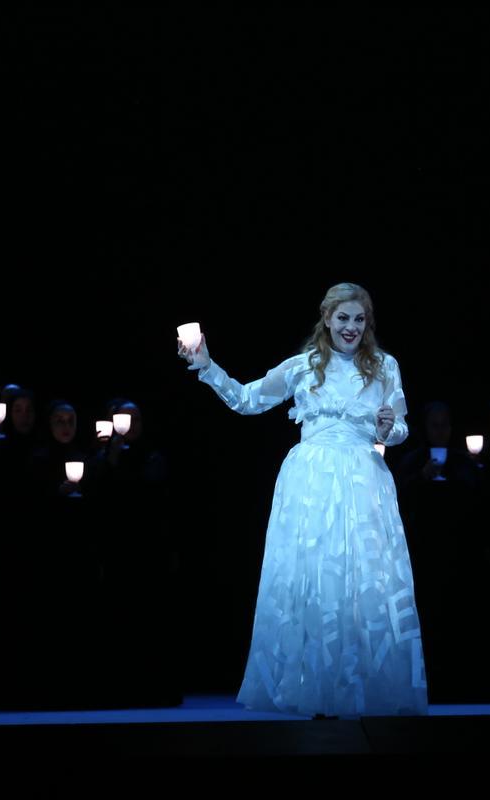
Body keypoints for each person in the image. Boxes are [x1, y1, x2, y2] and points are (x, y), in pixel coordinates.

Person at [177, 282, 428, 717]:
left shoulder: (385, 367)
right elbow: (247, 400)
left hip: (363, 477)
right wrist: (207, 366)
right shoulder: (304, 366)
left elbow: (400, 428)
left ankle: (362, 689)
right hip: (310, 481)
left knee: (363, 583)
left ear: (367, 324)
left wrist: (389, 428)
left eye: (359, 319)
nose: (351, 327)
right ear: (327, 318)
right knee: (315, 579)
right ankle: (314, 688)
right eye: (343, 317)